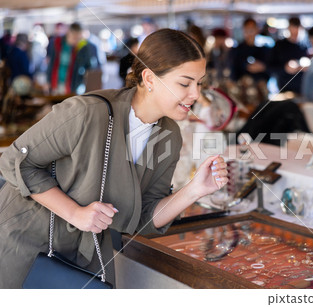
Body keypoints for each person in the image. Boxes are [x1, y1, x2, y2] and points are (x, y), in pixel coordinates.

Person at [0, 28, 228, 288]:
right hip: (24, 244)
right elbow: (15, 161)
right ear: (150, 78)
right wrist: (75, 213)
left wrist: (193, 191)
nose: (195, 94)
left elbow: (143, 217)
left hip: (82, 259)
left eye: (199, 83)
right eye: (185, 83)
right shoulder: (87, 112)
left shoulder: (168, 135)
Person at [46, 22, 100, 95]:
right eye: (74, 38)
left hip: (74, 85)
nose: (76, 41)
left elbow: (91, 66)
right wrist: (48, 81)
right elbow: (51, 64)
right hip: (56, 83)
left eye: (78, 38)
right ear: (68, 33)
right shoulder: (56, 43)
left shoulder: (83, 47)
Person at [268, 17, 308, 94]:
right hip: (284, 89)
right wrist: (285, 68)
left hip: (301, 89)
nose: (294, 35)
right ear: (288, 29)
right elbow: (270, 67)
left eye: (296, 33)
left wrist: (304, 68)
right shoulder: (279, 45)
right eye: (292, 32)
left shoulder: (304, 47)